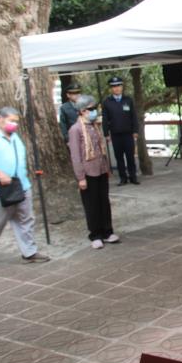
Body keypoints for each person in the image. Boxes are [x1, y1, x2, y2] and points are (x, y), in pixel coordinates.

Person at [0, 107, 50, 266]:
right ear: (0, 119)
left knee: (26, 219)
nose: (14, 124)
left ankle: (29, 252)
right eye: (11, 121)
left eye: (16, 121)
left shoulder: (15, 137)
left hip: (21, 185)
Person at [68, 95, 119, 250]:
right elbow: (76, 156)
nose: (94, 111)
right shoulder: (75, 129)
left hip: (101, 169)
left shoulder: (95, 126)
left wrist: (107, 167)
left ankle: (107, 231)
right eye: (91, 109)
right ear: (82, 111)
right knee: (92, 204)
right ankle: (95, 234)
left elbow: (101, 149)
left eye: (95, 108)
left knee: (104, 202)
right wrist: (80, 177)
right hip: (88, 172)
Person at [102, 76, 140, 186]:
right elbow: (105, 119)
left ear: (122, 87)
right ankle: (123, 178)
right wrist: (106, 133)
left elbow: (134, 116)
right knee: (119, 158)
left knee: (130, 156)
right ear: (111, 88)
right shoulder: (107, 102)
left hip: (128, 134)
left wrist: (135, 131)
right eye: (114, 86)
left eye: (118, 86)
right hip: (115, 134)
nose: (117, 88)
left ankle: (133, 177)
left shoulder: (128, 100)